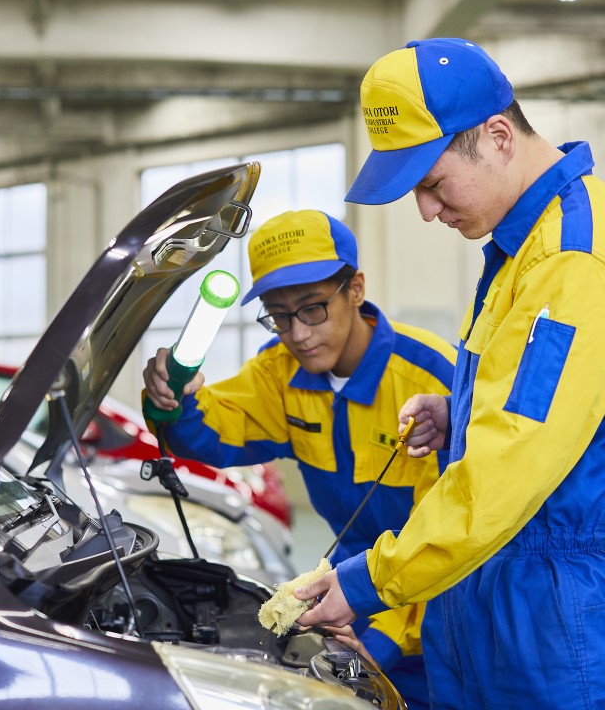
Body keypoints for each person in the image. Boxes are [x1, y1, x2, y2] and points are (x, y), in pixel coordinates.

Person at [293, 37, 605, 709]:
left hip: (553, 622)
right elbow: (539, 410)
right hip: (494, 595)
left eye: (432, 185)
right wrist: (457, 414)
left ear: (497, 136)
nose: (427, 212)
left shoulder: (569, 263)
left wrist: (372, 579)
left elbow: (511, 466)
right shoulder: (518, 252)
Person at [142, 208, 456, 710]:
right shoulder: (280, 373)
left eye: (312, 308)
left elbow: (451, 538)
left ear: (355, 289)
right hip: (350, 601)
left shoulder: (433, 379)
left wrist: (379, 644)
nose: (299, 333)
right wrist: (172, 398)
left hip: (443, 616)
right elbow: (210, 434)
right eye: (279, 314)